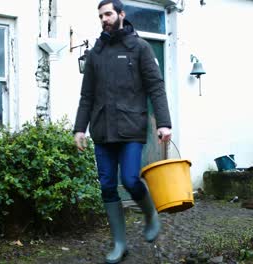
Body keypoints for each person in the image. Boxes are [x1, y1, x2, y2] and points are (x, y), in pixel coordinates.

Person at [73, 0, 172, 263]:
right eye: (101, 15)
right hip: (102, 129)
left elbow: (156, 87)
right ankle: (119, 243)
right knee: (107, 186)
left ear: (121, 15)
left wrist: (164, 122)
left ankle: (150, 213)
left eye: (108, 14)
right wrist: (79, 128)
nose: (104, 19)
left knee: (129, 179)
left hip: (131, 127)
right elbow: (87, 95)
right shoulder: (95, 53)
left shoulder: (139, 48)